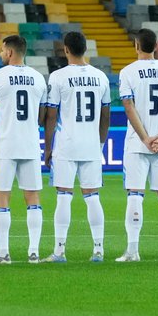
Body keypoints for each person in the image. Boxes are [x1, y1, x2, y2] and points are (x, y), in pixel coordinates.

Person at [115, 27, 158, 261]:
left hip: (137, 143)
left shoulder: (128, 72)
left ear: (136, 46)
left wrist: (145, 138)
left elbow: (129, 106)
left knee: (135, 194)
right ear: (156, 46)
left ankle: (133, 251)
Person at [43, 30, 111, 263]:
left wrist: (48, 148)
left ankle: (60, 251)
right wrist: (100, 144)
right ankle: (99, 250)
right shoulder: (100, 77)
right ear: (85, 49)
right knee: (92, 197)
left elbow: (51, 115)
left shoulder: (58, 76)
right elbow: (106, 116)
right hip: (91, 145)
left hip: (66, 144)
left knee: (64, 196)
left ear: (66, 49)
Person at [0, 34, 48, 264]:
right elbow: (42, 116)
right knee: (32, 197)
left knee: (2, 196)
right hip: (30, 143)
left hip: (5, 144)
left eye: (2, 50)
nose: (1, 54)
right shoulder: (39, 78)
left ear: (9, 52)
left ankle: (3, 253)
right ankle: (34, 252)